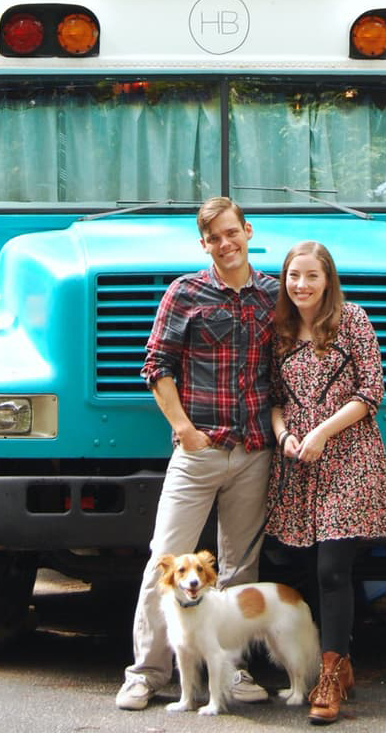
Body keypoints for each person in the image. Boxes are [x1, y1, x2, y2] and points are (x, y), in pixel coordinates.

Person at [116, 196, 279, 711]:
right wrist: (184, 428)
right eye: (214, 238)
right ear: (203, 243)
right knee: (162, 562)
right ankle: (145, 672)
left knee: (237, 569)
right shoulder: (184, 293)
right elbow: (156, 365)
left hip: (254, 450)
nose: (226, 244)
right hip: (198, 451)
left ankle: (230, 674)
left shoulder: (273, 296)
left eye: (232, 233)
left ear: (248, 231)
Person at [266, 241, 386, 725]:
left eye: (311, 276)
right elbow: (275, 398)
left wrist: (321, 432)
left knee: (332, 570)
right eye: (293, 276)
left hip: (348, 456)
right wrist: (284, 436)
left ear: (328, 280)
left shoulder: (354, 320)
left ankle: (327, 680)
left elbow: (370, 389)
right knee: (305, 564)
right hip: (299, 463)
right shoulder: (279, 331)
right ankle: (339, 663)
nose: (301, 285)